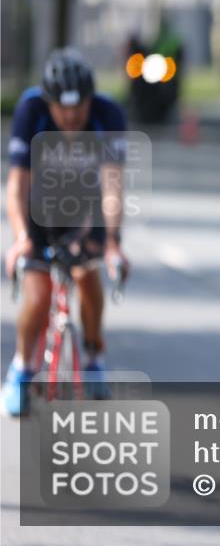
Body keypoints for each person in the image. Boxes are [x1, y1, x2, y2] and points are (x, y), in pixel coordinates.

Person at [3, 48, 130, 416]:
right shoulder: (31, 112)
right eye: (63, 107)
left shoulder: (108, 115)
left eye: (80, 106)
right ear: (49, 102)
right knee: (39, 295)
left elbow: (113, 185)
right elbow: (16, 187)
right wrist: (21, 238)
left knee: (89, 278)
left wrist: (112, 243)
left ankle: (93, 357)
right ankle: (22, 369)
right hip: (38, 213)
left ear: (91, 99)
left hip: (85, 211)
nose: (71, 115)